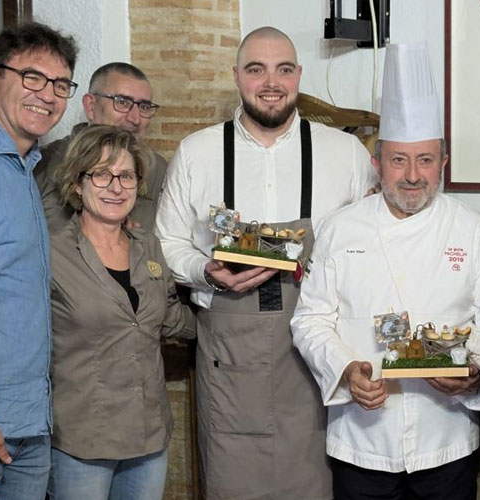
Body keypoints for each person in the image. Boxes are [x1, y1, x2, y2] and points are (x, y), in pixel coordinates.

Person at [155, 26, 375, 499]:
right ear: (237, 76)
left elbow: (370, 246)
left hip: (318, 358)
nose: (270, 82)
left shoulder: (347, 155)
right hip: (231, 358)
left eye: (283, 69)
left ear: (299, 75)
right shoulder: (198, 152)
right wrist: (204, 272)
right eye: (256, 69)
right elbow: (168, 242)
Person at [291, 42, 480, 500]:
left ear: (443, 164)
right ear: (377, 163)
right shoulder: (340, 227)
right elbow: (310, 320)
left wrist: (473, 371)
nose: (412, 174)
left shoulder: (473, 230)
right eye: (399, 160)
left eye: (426, 160)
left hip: (445, 440)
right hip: (361, 439)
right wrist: (346, 370)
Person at [46, 125, 194, 499]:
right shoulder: (51, 254)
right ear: (77, 183)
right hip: (81, 439)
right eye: (101, 174)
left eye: (126, 175)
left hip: (148, 435)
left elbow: (172, 318)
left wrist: (233, 317)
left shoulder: (149, 246)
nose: (116, 186)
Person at [0, 22, 77, 499]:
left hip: (25, 421)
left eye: (60, 85)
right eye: (32, 78)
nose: (48, 96)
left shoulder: (23, 166)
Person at [35, 62, 166, 233]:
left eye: (144, 107)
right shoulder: (44, 163)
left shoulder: (157, 170)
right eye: (122, 102)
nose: (135, 118)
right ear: (91, 106)